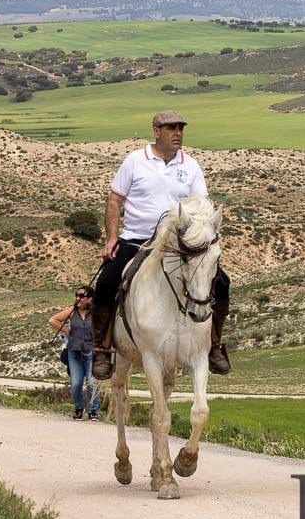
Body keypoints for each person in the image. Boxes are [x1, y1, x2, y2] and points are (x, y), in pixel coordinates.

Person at [91, 110, 232, 380]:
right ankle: (101, 348)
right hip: (137, 240)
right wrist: (111, 239)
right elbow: (114, 200)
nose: (178, 133)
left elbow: (201, 206)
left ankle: (214, 344)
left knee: (221, 281)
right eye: (171, 128)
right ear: (156, 131)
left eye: (180, 128)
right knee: (107, 281)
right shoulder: (134, 161)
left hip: (176, 245)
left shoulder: (190, 165)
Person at [49, 285, 101, 420]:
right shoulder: (72, 311)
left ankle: (93, 410)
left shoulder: (96, 312)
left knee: (92, 383)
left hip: (91, 352)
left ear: (90, 298)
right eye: (76, 295)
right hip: (74, 353)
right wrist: (67, 331)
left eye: (81, 296)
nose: (78, 298)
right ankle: (78, 408)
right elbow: (53, 320)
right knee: (76, 384)